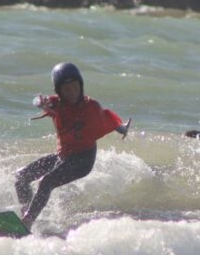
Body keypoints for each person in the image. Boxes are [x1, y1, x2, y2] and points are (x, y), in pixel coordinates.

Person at [15, 62, 130, 227]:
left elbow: (107, 120)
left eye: (75, 87)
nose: (72, 92)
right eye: (66, 89)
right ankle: (25, 214)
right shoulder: (55, 104)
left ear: (81, 86)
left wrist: (122, 128)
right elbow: (37, 101)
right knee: (21, 178)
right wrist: (39, 102)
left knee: (46, 182)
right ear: (59, 91)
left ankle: (27, 221)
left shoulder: (91, 107)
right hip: (63, 156)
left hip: (83, 160)